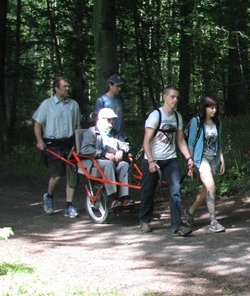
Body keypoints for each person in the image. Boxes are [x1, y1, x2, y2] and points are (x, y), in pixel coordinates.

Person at [139, 85, 195, 236]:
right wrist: (150, 161)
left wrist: (189, 158)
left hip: (170, 159)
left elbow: (181, 140)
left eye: (177, 97)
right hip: (153, 159)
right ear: (164, 97)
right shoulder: (155, 116)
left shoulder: (177, 117)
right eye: (172, 97)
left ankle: (177, 225)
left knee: (175, 191)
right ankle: (144, 220)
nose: (175, 100)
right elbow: (146, 141)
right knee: (148, 191)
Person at [33, 77, 82, 218]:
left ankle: (69, 206)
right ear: (56, 88)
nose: (67, 89)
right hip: (53, 143)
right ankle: (49, 196)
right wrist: (39, 141)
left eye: (68, 86)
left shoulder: (74, 105)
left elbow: (78, 125)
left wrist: (79, 142)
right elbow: (37, 123)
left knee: (73, 175)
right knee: (57, 176)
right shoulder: (47, 104)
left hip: (70, 143)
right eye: (64, 86)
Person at [184, 94, 226, 232]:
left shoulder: (218, 122)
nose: (214, 110)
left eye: (215, 108)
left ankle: (189, 212)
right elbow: (190, 143)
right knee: (212, 187)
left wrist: (222, 160)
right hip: (200, 158)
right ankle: (213, 221)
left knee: (205, 190)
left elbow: (219, 143)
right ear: (205, 108)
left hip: (213, 158)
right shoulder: (196, 121)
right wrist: (190, 162)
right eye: (211, 108)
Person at [80, 108, 132, 209]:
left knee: (124, 164)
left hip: (114, 160)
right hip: (96, 160)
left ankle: (124, 196)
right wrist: (104, 154)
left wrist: (121, 151)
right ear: (100, 119)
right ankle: (111, 198)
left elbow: (126, 145)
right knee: (108, 164)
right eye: (109, 119)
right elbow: (85, 149)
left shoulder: (115, 133)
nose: (111, 121)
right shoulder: (91, 132)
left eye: (113, 119)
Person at [94, 73, 126, 139]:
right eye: (117, 86)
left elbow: (122, 117)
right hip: (108, 136)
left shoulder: (120, 99)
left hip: (121, 136)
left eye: (120, 86)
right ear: (110, 85)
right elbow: (97, 120)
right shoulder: (101, 101)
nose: (119, 88)